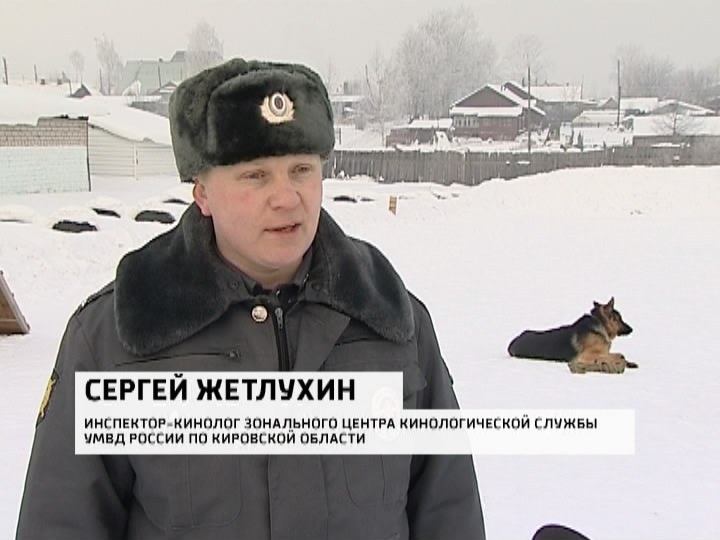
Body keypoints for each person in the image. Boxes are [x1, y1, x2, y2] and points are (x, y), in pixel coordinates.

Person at [16, 58, 485, 540]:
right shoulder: (118, 337)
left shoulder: (391, 320)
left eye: (301, 170)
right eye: (256, 176)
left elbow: (450, 513)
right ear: (202, 193)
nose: (286, 198)